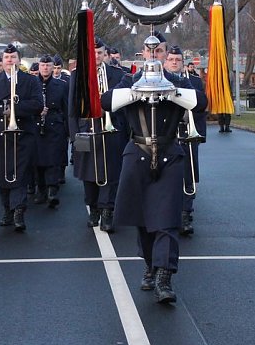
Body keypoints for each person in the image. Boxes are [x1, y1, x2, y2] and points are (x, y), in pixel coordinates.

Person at [101, 34, 205, 304]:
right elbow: (106, 101)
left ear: (165, 54)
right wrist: (138, 91)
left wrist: (170, 91)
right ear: (142, 54)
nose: (154, 55)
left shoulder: (178, 81)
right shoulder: (131, 80)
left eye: (159, 51)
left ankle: (164, 276)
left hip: (169, 153)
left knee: (167, 219)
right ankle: (150, 265)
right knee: (143, 219)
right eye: (150, 51)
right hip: (138, 152)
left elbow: (201, 102)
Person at [0, 44, 43, 232]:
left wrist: (15, 107)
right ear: (2, 61)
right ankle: (7, 210)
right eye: (6, 57)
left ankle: (19, 210)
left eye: (13, 57)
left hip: (23, 133)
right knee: (2, 175)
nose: (10, 60)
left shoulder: (30, 81)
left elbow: (38, 105)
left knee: (20, 175)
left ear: (19, 60)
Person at [70, 40, 127, 232]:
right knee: (88, 173)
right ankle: (93, 208)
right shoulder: (77, 75)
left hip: (112, 129)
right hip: (86, 128)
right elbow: (72, 108)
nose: (96, 56)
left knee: (111, 172)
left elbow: (124, 105)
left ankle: (107, 210)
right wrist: (74, 136)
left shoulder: (117, 74)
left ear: (106, 54)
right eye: (93, 53)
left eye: (100, 53)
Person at [163, 45, 205, 236]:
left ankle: (186, 213)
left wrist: (199, 134)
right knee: (167, 176)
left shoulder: (194, 81)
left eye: (178, 60)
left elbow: (201, 108)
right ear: (166, 62)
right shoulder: (161, 81)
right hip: (167, 134)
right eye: (171, 59)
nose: (174, 63)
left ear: (182, 62)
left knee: (188, 174)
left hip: (187, 132)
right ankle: (169, 213)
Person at [32, 55, 69, 206]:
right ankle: (40, 190)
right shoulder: (32, 83)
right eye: (43, 65)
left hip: (55, 125)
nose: (45, 68)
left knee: (53, 158)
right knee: (38, 159)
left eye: (48, 65)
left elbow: (66, 108)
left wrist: (68, 131)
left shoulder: (61, 85)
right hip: (36, 124)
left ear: (53, 67)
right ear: (39, 66)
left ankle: (52, 190)